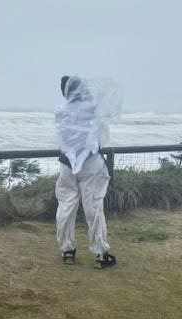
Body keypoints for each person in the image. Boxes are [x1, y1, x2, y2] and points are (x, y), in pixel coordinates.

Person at [55, 75, 119, 269]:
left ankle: (67, 250)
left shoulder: (60, 111)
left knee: (66, 205)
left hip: (67, 165)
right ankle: (101, 254)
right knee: (93, 207)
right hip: (90, 165)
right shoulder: (93, 109)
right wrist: (91, 97)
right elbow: (103, 131)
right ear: (80, 90)